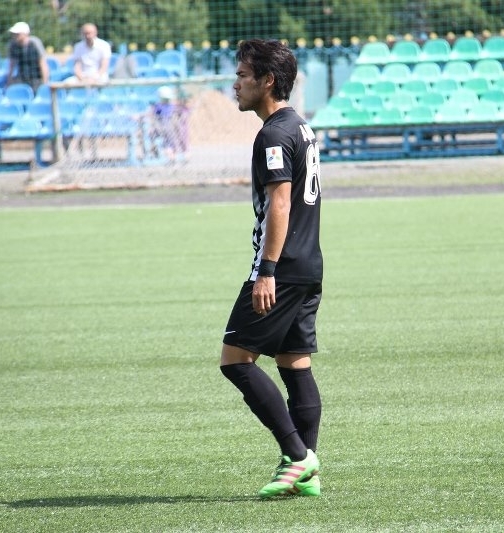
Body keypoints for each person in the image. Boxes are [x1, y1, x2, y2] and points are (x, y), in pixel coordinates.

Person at [220, 39, 324, 499]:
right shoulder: (300, 126)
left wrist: (267, 271)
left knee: (236, 361)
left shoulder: (274, 135)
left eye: (243, 75)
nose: (235, 84)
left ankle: (298, 456)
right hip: (308, 263)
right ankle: (307, 474)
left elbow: (281, 203)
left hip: (282, 268)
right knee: (294, 362)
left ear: (266, 81)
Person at [6, 21, 49, 92]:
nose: (15, 35)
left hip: (36, 79)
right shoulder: (13, 46)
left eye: (17, 34)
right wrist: (9, 83)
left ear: (25, 34)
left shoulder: (35, 44)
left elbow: (43, 64)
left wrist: (45, 84)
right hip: (22, 79)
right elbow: (11, 65)